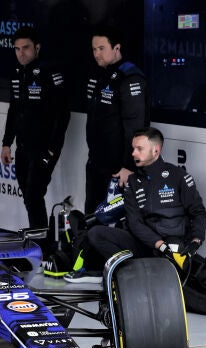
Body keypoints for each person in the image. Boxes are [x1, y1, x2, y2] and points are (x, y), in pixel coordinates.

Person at [67, 127, 206, 283]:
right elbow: (135, 223)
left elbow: (199, 212)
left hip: (175, 246)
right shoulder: (132, 182)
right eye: (133, 148)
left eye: (139, 149)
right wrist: (159, 245)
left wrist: (196, 240)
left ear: (156, 151)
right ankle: (131, 271)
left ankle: (144, 271)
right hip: (148, 245)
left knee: (176, 246)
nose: (133, 153)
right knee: (95, 233)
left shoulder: (178, 176)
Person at [0, 26, 70, 239]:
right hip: (22, 147)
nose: (21, 53)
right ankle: (41, 242)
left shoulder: (50, 71)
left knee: (33, 195)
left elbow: (63, 115)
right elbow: (14, 109)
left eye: (26, 48)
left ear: (37, 48)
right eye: (17, 49)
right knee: (29, 198)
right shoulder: (16, 72)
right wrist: (6, 143)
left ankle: (44, 248)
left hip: (44, 149)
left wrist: (52, 149)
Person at [84, 25, 149, 214]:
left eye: (101, 48)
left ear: (117, 48)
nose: (97, 54)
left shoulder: (130, 78)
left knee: (118, 223)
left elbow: (135, 127)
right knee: (92, 216)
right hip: (96, 162)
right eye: (94, 49)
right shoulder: (98, 75)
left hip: (119, 169)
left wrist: (129, 166)